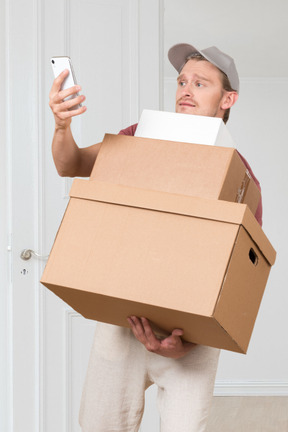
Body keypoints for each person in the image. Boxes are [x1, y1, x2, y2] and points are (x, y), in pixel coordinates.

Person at [49, 43, 263, 432]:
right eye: (182, 80)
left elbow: (236, 282)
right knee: (98, 425)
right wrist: (63, 126)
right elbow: (72, 164)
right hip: (121, 320)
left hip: (191, 338)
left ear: (227, 99)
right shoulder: (140, 136)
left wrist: (188, 343)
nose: (186, 89)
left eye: (201, 83)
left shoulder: (241, 180)